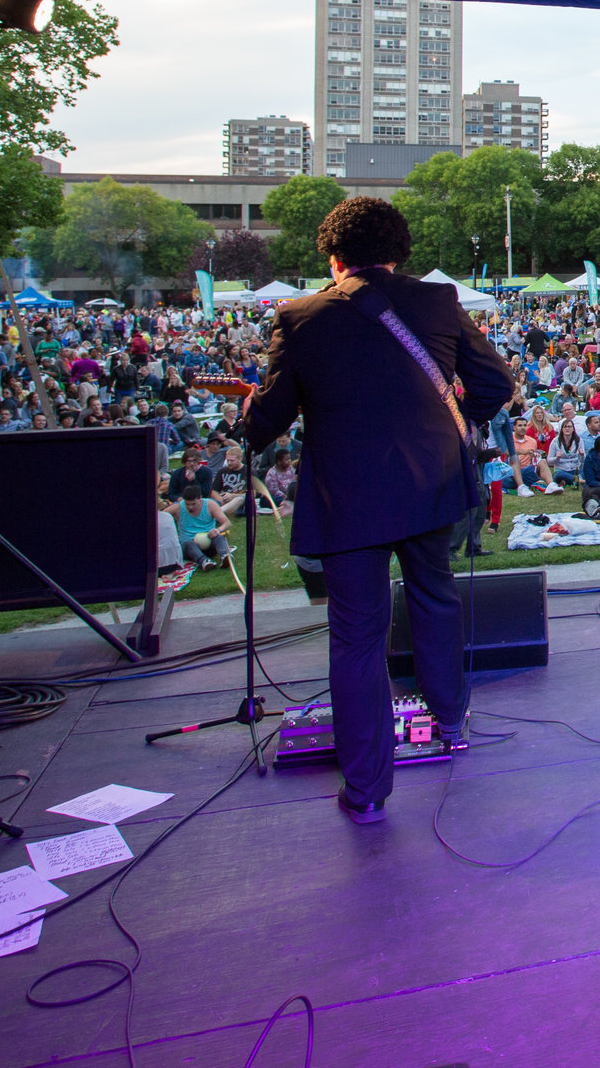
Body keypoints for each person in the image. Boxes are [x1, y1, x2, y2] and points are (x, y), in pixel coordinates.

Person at [240, 196, 514, 825]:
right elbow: (496, 386)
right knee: (434, 597)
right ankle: (450, 719)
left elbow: (266, 423)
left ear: (334, 258)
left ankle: (366, 789)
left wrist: (252, 408)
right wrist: (457, 428)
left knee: (356, 637)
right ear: (398, 253)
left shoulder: (300, 317)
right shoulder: (439, 302)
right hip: (431, 483)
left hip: (349, 498)